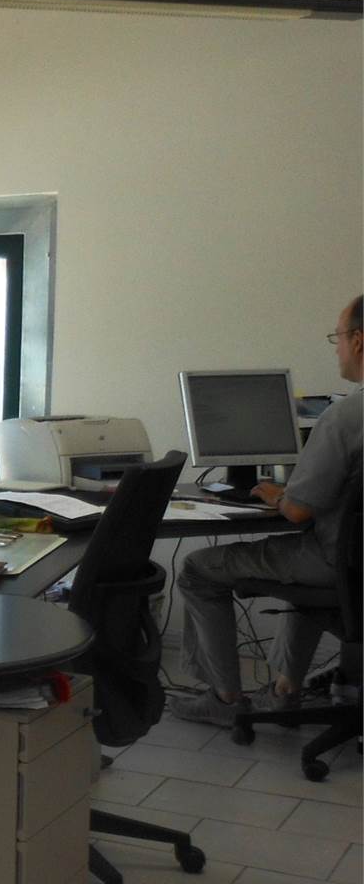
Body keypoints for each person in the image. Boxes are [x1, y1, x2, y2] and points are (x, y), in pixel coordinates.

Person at [169, 296, 363, 725]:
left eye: (337, 337)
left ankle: (225, 701)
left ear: (358, 340)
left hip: (338, 562)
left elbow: (298, 511)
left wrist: (277, 496)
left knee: (198, 569)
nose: (336, 349)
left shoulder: (345, 418)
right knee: (297, 569)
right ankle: (284, 691)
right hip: (351, 563)